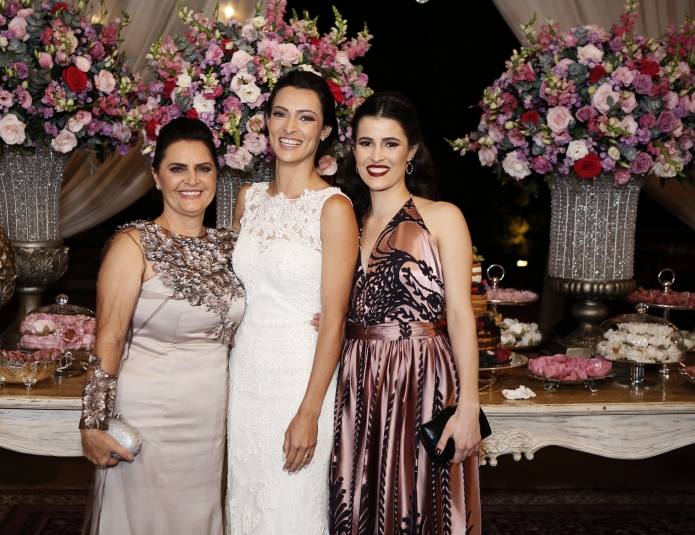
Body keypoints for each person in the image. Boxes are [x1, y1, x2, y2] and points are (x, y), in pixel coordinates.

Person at [79, 117, 246, 535]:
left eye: (203, 168)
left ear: (216, 175)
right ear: (156, 177)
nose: (192, 180)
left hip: (210, 415)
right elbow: (109, 336)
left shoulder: (232, 247)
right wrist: (92, 422)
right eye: (177, 169)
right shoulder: (133, 244)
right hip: (149, 414)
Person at [330, 92, 483, 535]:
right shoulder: (345, 221)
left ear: (412, 150)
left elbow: (461, 314)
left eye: (390, 143)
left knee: (421, 505)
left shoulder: (442, 217)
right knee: (357, 503)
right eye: (366, 143)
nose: (376, 156)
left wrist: (468, 405)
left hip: (423, 377)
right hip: (356, 380)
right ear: (353, 149)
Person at [226, 70, 358, 534]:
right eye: (280, 114)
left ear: (324, 132)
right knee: (244, 506)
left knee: (289, 512)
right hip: (244, 376)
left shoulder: (334, 208)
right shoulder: (248, 199)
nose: (290, 128)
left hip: (299, 380)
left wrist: (309, 412)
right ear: (265, 121)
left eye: (306, 118)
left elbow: (334, 320)